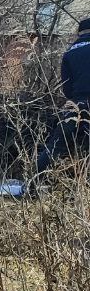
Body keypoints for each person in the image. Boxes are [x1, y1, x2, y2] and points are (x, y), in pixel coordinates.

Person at [37, 17, 90, 176]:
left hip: (76, 104)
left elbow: (67, 87)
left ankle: (33, 183)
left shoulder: (70, 52)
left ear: (79, 33)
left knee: (56, 145)